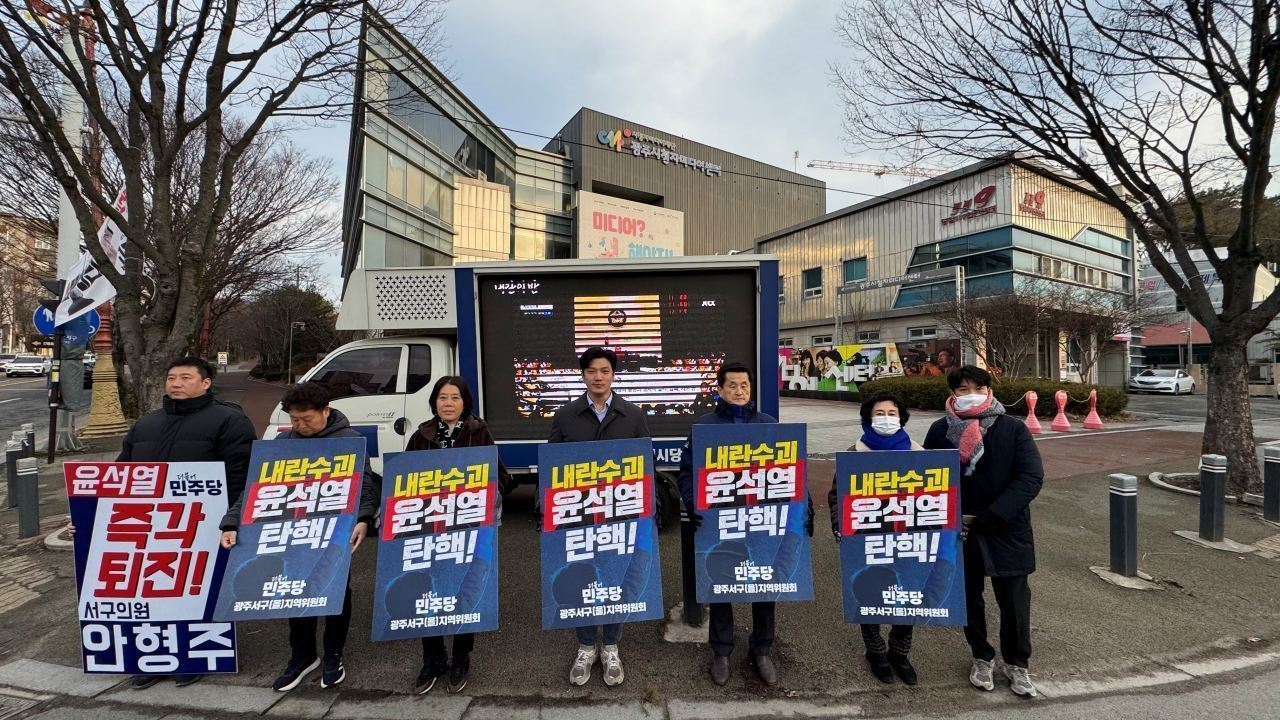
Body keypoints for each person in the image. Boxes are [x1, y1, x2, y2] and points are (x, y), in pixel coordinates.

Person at [218, 382, 381, 693]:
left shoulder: (349, 440)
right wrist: (231, 522)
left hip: (334, 532)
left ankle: (333, 653)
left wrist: (363, 519)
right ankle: (302, 655)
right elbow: (256, 489)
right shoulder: (283, 443)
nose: (300, 425)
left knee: (335, 590)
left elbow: (365, 484)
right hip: (292, 532)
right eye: (294, 419)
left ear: (325, 411)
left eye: (307, 419)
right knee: (294, 589)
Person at [116, 356, 257, 689]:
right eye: (171, 378)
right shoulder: (145, 424)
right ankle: (154, 657)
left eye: (185, 377)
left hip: (204, 524)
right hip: (148, 525)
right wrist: (90, 517)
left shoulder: (230, 420)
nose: (176, 383)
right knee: (152, 590)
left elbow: (242, 475)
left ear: (206, 383)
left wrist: (231, 519)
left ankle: (195, 657)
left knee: (200, 590)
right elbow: (120, 477)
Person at [678, 362, 809, 687]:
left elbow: (792, 471)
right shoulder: (704, 427)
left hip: (763, 525)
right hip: (721, 524)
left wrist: (804, 508)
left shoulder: (768, 424)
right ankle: (721, 651)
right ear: (720, 389)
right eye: (732, 385)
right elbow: (687, 473)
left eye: (744, 386)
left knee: (765, 586)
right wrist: (693, 504)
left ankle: (761, 649)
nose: (739, 391)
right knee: (721, 585)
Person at [924, 366, 1043, 698]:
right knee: (968, 597)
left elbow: (1031, 477)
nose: (971, 394)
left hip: (1007, 526)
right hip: (959, 529)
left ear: (989, 390)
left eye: (978, 387)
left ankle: (1017, 663)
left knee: (1014, 600)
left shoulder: (1012, 428)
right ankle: (981, 656)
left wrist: (995, 515)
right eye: (963, 389)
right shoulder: (940, 430)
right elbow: (928, 478)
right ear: (952, 394)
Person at [548, 346, 650, 687]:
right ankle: (586, 646)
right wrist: (545, 510)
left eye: (604, 371)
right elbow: (552, 469)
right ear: (583, 375)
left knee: (616, 578)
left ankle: (611, 647)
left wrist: (648, 509)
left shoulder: (633, 416)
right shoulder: (565, 416)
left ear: (613, 375)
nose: (598, 377)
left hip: (620, 516)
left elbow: (644, 469)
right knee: (583, 578)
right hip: (578, 515)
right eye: (592, 371)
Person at [405, 375, 512, 695]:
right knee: (428, 589)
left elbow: (500, 476)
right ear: (434, 402)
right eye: (442, 397)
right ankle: (433, 658)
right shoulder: (421, 435)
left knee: (465, 590)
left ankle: (461, 657)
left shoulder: (479, 433)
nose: (448, 403)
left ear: (465, 402)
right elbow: (405, 479)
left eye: (455, 397)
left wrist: (486, 491)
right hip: (430, 528)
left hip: (469, 529)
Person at [828, 391, 924, 686]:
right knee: (870, 593)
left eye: (892, 413)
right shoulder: (854, 454)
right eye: (879, 414)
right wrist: (839, 525)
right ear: (868, 419)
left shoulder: (921, 455)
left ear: (902, 418)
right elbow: (837, 495)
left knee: (906, 595)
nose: (886, 419)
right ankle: (875, 651)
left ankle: (900, 652)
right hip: (867, 540)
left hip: (908, 540)